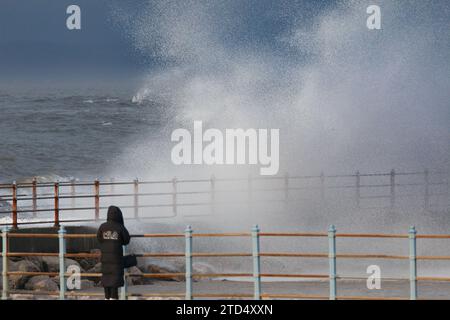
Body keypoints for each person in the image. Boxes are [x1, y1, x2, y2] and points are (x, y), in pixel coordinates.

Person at [96, 205, 130, 300]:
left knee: (107, 279)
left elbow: (99, 238)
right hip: (116, 259)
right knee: (114, 281)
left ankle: (107, 298)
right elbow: (126, 240)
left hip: (105, 259)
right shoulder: (119, 227)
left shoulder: (103, 226)